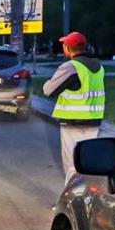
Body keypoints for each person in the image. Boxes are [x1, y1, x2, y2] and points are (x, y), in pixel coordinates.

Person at [43, 30, 105, 183]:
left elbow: (48, 90)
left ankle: (71, 200)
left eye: (64, 45)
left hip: (73, 122)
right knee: (87, 161)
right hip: (93, 121)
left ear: (68, 48)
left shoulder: (71, 67)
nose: (63, 48)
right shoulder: (98, 67)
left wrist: (47, 82)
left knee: (72, 164)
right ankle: (90, 196)